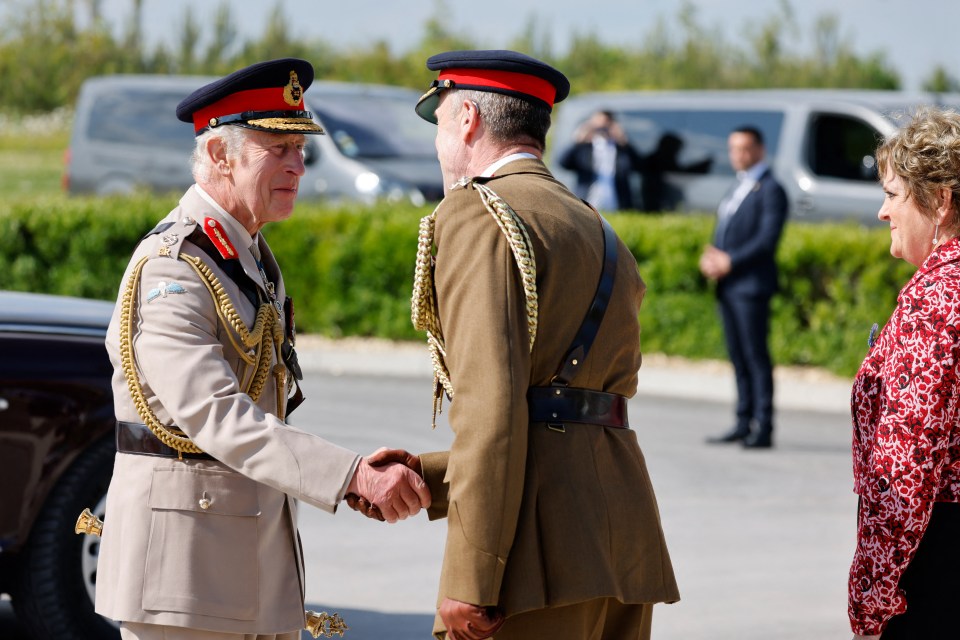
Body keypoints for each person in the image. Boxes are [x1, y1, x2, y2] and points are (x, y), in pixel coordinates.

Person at [95, 58, 431, 640]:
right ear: (221, 156)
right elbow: (215, 413)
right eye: (277, 149)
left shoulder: (244, 255)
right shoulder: (173, 267)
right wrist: (349, 475)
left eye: (300, 150)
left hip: (240, 563)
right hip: (184, 575)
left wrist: (350, 475)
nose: (299, 166)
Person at [354, 49, 680, 640]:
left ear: (469, 119)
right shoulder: (593, 224)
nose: (438, 145)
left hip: (535, 559)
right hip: (622, 541)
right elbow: (568, 412)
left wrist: (470, 577)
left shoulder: (479, 215)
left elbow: (492, 411)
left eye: (441, 122)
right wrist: (431, 477)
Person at [847, 107, 960, 639]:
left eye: (892, 195)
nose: (881, 212)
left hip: (939, 565)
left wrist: (872, 594)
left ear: (939, 200)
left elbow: (906, 468)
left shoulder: (937, 298)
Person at [700, 125, 788, 449]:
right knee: (737, 356)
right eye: (733, 148)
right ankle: (742, 420)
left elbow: (766, 241)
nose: (738, 155)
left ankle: (763, 426)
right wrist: (712, 257)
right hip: (729, 286)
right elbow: (725, 232)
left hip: (751, 286)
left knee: (755, 356)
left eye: (744, 148)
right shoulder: (737, 186)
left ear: (760, 150)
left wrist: (730, 261)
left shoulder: (770, 189)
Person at [557, 109, 643, 211]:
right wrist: (579, 140)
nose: (602, 128)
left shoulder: (621, 149)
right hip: (587, 202)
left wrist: (624, 142)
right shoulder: (584, 147)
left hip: (618, 204)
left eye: (606, 124)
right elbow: (563, 163)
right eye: (597, 124)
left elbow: (639, 166)